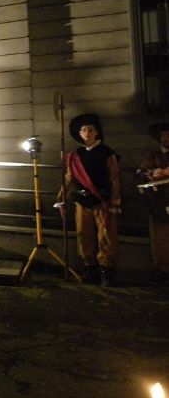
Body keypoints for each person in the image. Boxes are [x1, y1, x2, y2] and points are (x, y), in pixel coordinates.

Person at [57, 114, 121, 286]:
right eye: (84, 130)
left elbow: (114, 177)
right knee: (83, 235)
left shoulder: (107, 152)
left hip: (102, 200)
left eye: (90, 130)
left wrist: (115, 201)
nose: (87, 133)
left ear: (96, 132)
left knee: (106, 236)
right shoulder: (75, 155)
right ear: (80, 133)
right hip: (82, 200)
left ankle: (106, 271)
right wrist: (61, 198)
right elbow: (68, 178)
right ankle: (89, 268)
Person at [137, 122, 169, 284]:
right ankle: (162, 270)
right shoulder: (154, 155)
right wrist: (152, 173)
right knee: (160, 237)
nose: (166, 138)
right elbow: (141, 172)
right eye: (163, 135)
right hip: (159, 202)